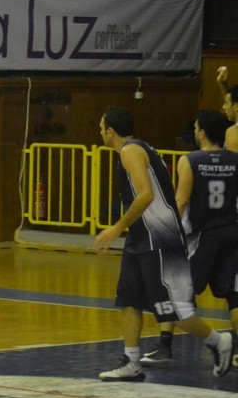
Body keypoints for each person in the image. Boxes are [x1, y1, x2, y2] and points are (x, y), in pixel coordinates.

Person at [94, 106, 233, 381]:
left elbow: (146, 195)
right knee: (129, 300)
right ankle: (131, 362)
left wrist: (117, 227)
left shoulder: (130, 151)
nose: (99, 133)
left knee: (174, 310)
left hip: (160, 238)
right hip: (141, 238)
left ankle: (218, 341)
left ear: (110, 131)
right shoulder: (137, 148)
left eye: (101, 128)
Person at [139, 110, 238, 366]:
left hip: (202, 236)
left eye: (195, 128)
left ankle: (167, 346)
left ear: (202, 133)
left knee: (175, 290)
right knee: (234, 296)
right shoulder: (236, 160)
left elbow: (181, 200)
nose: (194, 132)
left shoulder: (190, 160)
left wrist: (170, 234)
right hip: (231, 233)